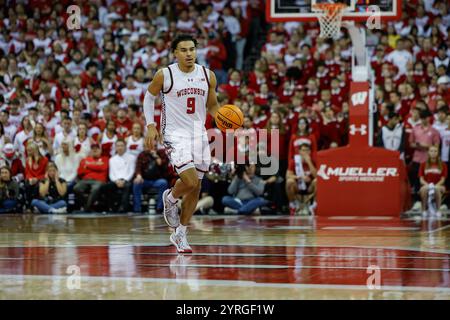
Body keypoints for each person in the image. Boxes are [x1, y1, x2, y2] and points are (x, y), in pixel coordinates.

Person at [143, 34, 221, 253]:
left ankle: (181, 234)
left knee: (196, 187)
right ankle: (170, 197)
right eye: (184, 50)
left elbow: (213, 106)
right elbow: (149, 98)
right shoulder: (165, 74)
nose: (189, 54)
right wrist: (150, 125)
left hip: (199, 134)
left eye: (192, 49)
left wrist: (224, 119)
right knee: (189, 180)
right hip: (174, 134)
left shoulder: (208, 76)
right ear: (175, 53)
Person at [132, 141, 169, 214]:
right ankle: (137, 209)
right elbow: (138, 167)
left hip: (157, 180)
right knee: (136, 183)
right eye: (151, 146)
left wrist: (156, 156)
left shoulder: (161, 153)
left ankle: (160, 208)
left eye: (155, 146)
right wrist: (139, 175)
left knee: (163, 183)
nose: (153, 148)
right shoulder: (142, 155)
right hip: (145, 180)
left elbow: (163, 166)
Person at [102, 139, 135, 212]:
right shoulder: (112, 159)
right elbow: (111, 174)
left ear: (125, 147)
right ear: (115, 147)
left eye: (122, 146)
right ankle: (111, 207)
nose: (120, 147)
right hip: (115, 180)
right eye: (118, 146)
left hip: (126, 180)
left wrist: (124, 180)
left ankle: (123, 207)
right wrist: (116, 181)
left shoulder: (131, 157)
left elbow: (131, 171)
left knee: (127, 186)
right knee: (108, 186)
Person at [73, 143, 109, 212]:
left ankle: (86, 209)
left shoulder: (105, 159)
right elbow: (80, 171)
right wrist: (96, 166)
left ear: (100, 150)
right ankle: (89, 207)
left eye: (97, 148)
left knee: (95, 189)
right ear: (90, 151)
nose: (94, 150)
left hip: (99, 181)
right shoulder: (85, 159)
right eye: (93, 149)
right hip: (85, 180)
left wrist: (88, 166)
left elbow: (103, 167)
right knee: (76, 188)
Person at [285, 143, 317, 216]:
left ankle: (314, 206)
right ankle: (293, 205)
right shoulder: (294, 161)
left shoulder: (314, 161)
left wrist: (309, 162)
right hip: (298, 186)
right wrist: (300, 177)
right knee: (289, 181)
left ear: (310, 152)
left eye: (307, 150)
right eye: (303, 150)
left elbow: (316, 176)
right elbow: (288, 175)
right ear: (299, 151)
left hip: (309, 187)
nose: (305, 152)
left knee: (317, 181)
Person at [419, 145, 447, 218]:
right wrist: (428, 185)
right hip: (426, 185)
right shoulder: (423, 164)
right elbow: (421, 179)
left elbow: (443, 179)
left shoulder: (443, 165)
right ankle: (424, 210)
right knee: (424, 189)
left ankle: (438, 210)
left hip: (439, 185)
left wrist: (435, 186)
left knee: (437, 189)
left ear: (438, 153)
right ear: (428, 152)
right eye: (431, 151)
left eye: (435, 151)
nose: (433, 153)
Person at [24, 141, 48, 209]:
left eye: (30, 151)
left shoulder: (44, 159)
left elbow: (46, 173)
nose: (28, 153)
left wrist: (37, 179)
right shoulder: (28, 160)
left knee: (37, 186)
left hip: (42, 179)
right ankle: (29, 205)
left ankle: (36, 204)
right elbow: (27, 173)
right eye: (27, 151)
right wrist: (31, 179)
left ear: (35, 150)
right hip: (31, 179)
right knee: (27, 184)